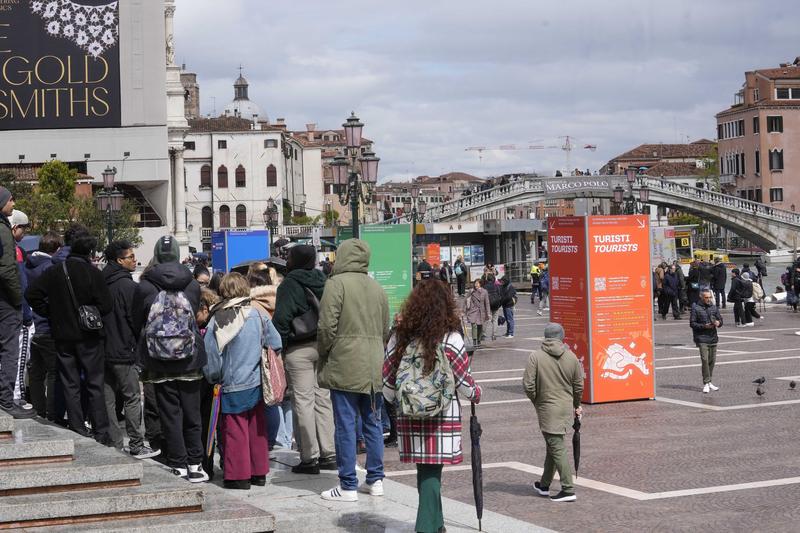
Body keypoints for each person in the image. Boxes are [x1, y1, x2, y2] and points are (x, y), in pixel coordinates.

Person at [382, 280, 482, 532]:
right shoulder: (451, 338)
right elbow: (463, 382)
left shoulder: (399, 337)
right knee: (431, 472)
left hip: (409, 412)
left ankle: (437, 524)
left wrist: (397, 399)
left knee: (425, 470)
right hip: (442, 413)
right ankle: (425, 527)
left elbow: (387, 381)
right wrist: (477, 393)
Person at [317, 239, 390, 502]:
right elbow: (385, 328)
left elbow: (326, 326)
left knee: (345, 425)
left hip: (345, 363)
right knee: (373, 423)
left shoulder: (336, 284)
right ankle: (375, 479)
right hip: (373, 366)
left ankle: (348, 483)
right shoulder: (376, 287)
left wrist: (324, 352)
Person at [132, 236, 208, 482]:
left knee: (170, 414)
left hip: (159, 360)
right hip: (190, 359)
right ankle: (196, 464)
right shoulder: (192, 285)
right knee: (192, 414)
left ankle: (178, 464)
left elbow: (137, 320)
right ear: (177, 254)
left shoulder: (145, 286)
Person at [26, 232, 113, 440]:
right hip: (89, 336)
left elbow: (32, 294)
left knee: (70, 382)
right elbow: (107, 305)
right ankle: (101, 430)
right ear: (90, 252)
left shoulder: (55, 271)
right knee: (94, 383)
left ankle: (77, 427)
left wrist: (51, 312)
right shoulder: (93, 273)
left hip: (63, 334)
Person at [204, 272, 282, 490]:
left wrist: (213, 377)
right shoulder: (257, 314)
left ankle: (239, 476)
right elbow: (275, 342)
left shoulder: (218, 319)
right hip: (256, 381)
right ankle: (258, 473)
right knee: (257, 429)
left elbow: (211, 356)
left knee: (235, 431)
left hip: (231, 383)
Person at [272, 245, 336, 474]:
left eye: (288, 257)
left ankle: (309, 457)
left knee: (303, 401)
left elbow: (281, 319)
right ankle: (329, 453)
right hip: (322, 345)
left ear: (295, 260)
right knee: (323, 399)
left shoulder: (289, 284)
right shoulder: (324, 281)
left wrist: (278, 349)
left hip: (299, 348)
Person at [101, 240, 159, 459]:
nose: (135, 260)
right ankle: (136, 442)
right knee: (132, 397)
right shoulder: (129, 287)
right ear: (119, 260)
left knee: (107, 398)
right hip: (125, 349)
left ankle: (114, 441)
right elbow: (135, 320)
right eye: (131, 257)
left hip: (103, 349)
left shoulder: (101, 282)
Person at [522, 323, 584, 502]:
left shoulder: (535, 357)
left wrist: (537, 400)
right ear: (561, 337)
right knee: (553, 444)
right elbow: (578, 385)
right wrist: (576, 403)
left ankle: (568, 488)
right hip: (564, 407)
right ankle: (544, 484)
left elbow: (528, 385)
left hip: (547, 407)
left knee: (556, 447)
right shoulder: (571, 357)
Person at [0, 188, 34, 419]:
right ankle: (6, 400)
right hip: (5, 300)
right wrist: (16, 299)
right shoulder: (3, 230)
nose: (13, 203)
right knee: (10, 349)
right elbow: (7, 269)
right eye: (10, 199)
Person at [25, 231, 62, 420]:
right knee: (54, 371)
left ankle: (38, 410)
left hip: (31, 326)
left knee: (36, 372)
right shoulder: (50, 268)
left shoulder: (28, 265)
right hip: (47, 326)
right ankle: (52, 412)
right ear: (56, 249)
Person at [10, 210, 33, 411]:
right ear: (15, 228)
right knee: (18, 358)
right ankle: (16, 397)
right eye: (23, 228)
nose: (24, 233)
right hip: (15, 314)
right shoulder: (15, 252)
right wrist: (27, 316)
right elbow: (22, 286)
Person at [690, 289, 723, 393]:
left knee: (712, 361)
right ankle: (706, 382)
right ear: (701, 297)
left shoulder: (714, 307)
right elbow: (692, 323)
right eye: (706, 297)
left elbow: (721, 320)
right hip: (702, 337)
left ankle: (709, 382)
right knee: (704, 360)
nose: (708, 299)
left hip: (713, 337)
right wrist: (704, 326)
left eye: (710, 297)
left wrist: (718, 323)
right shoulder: (695, 307)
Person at [464, 279, 490, 347]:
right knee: (474, 326)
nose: (476, 284)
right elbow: (465, 300)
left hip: (481, 311)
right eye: (475, 283)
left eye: (477, 283)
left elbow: (487, 303)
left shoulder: (484, 292)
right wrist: (463, 310)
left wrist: (488, 313)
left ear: (480, 284)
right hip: (473, 311)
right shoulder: (471, 291)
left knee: (480, 326)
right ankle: (474, 340)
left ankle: (479, 340)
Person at [484, 274, 502, 341]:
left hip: (487, 305)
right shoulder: (497, 286)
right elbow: (500, 296)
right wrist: (499, 304)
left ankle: (483, 333)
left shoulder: (485, 287)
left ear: (487, 279)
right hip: (495, 305)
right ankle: (494, 334)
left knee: (486, 319)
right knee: (495, 320)